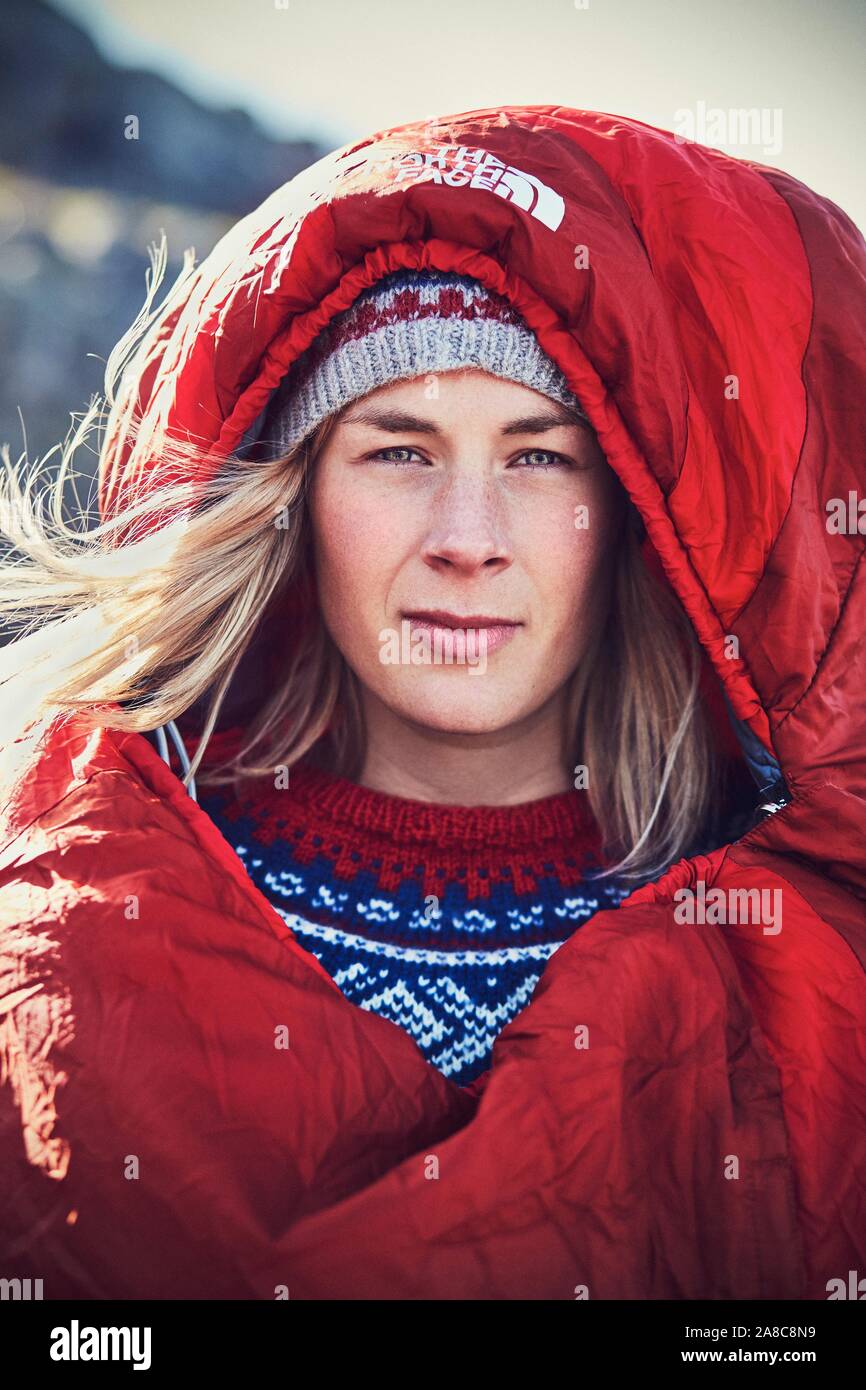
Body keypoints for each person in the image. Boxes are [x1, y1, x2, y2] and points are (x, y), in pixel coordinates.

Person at [0, 105, 864, 1301]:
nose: (467, 542)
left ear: (630, 518)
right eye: (397, 450)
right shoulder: (87, 905)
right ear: (296, 496)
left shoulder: (785, 957)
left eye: (538, 456)